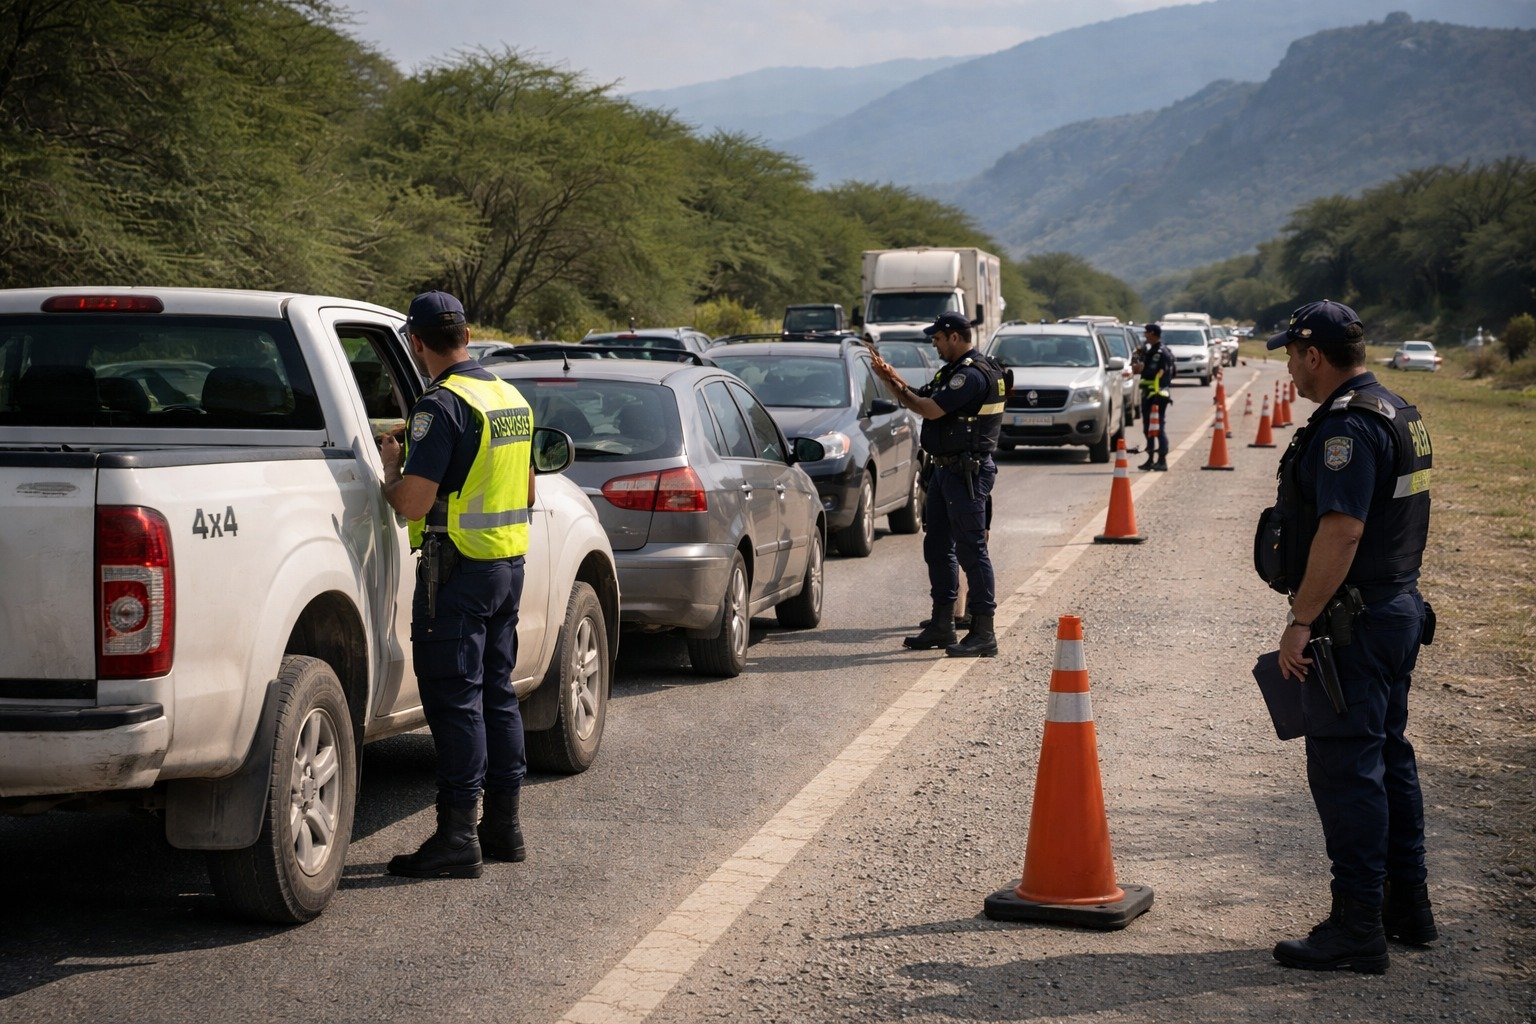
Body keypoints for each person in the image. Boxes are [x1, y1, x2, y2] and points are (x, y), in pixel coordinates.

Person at [1255, 300, 1436, 973]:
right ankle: (1406, 908)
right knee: (1389, 758)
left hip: (1355, 621)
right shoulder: (1398, 411)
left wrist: (1301, 620)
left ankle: (1357, 926)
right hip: (1396, 606)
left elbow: (1343, 529)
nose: (1291, 369)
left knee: (1348, 771)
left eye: (1291, 355)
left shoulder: (1348, 429)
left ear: (1313, 354)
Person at [378, 290, 536, 879]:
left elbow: (413, 501)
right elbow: (526, 493)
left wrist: (393, 472)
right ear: (466, 335)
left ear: (417, 344)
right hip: (507, 566)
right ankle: (504, 827)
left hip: (458, 572)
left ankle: (454, 837)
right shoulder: (509, 397)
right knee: (497, 695)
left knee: (454, 701)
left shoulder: (439, 407)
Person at [871, 311, 1007, 658]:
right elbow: (921, 395)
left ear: (954, 337)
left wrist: (894, 385)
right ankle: (942, 623)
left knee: (971, 550)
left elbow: (929, 410)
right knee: (938, 546)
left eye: (937, 338)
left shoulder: (972, 376)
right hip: (945, 471)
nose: (934, 344)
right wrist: (890, 378)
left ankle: (983, 631)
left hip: (967, 473)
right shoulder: (953, 372)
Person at [1134, 323, 1176, 470]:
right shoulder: (1154, 350)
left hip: (1156, 395)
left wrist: (1140, 364)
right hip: (1151, 394)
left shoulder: (1159, 352)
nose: (1145, 335)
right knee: (1149, 429)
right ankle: (1151, 459)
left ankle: (1162, 460)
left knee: (1157, 428)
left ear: (1152, 333)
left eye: (1146, 333)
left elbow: (1155, 373)